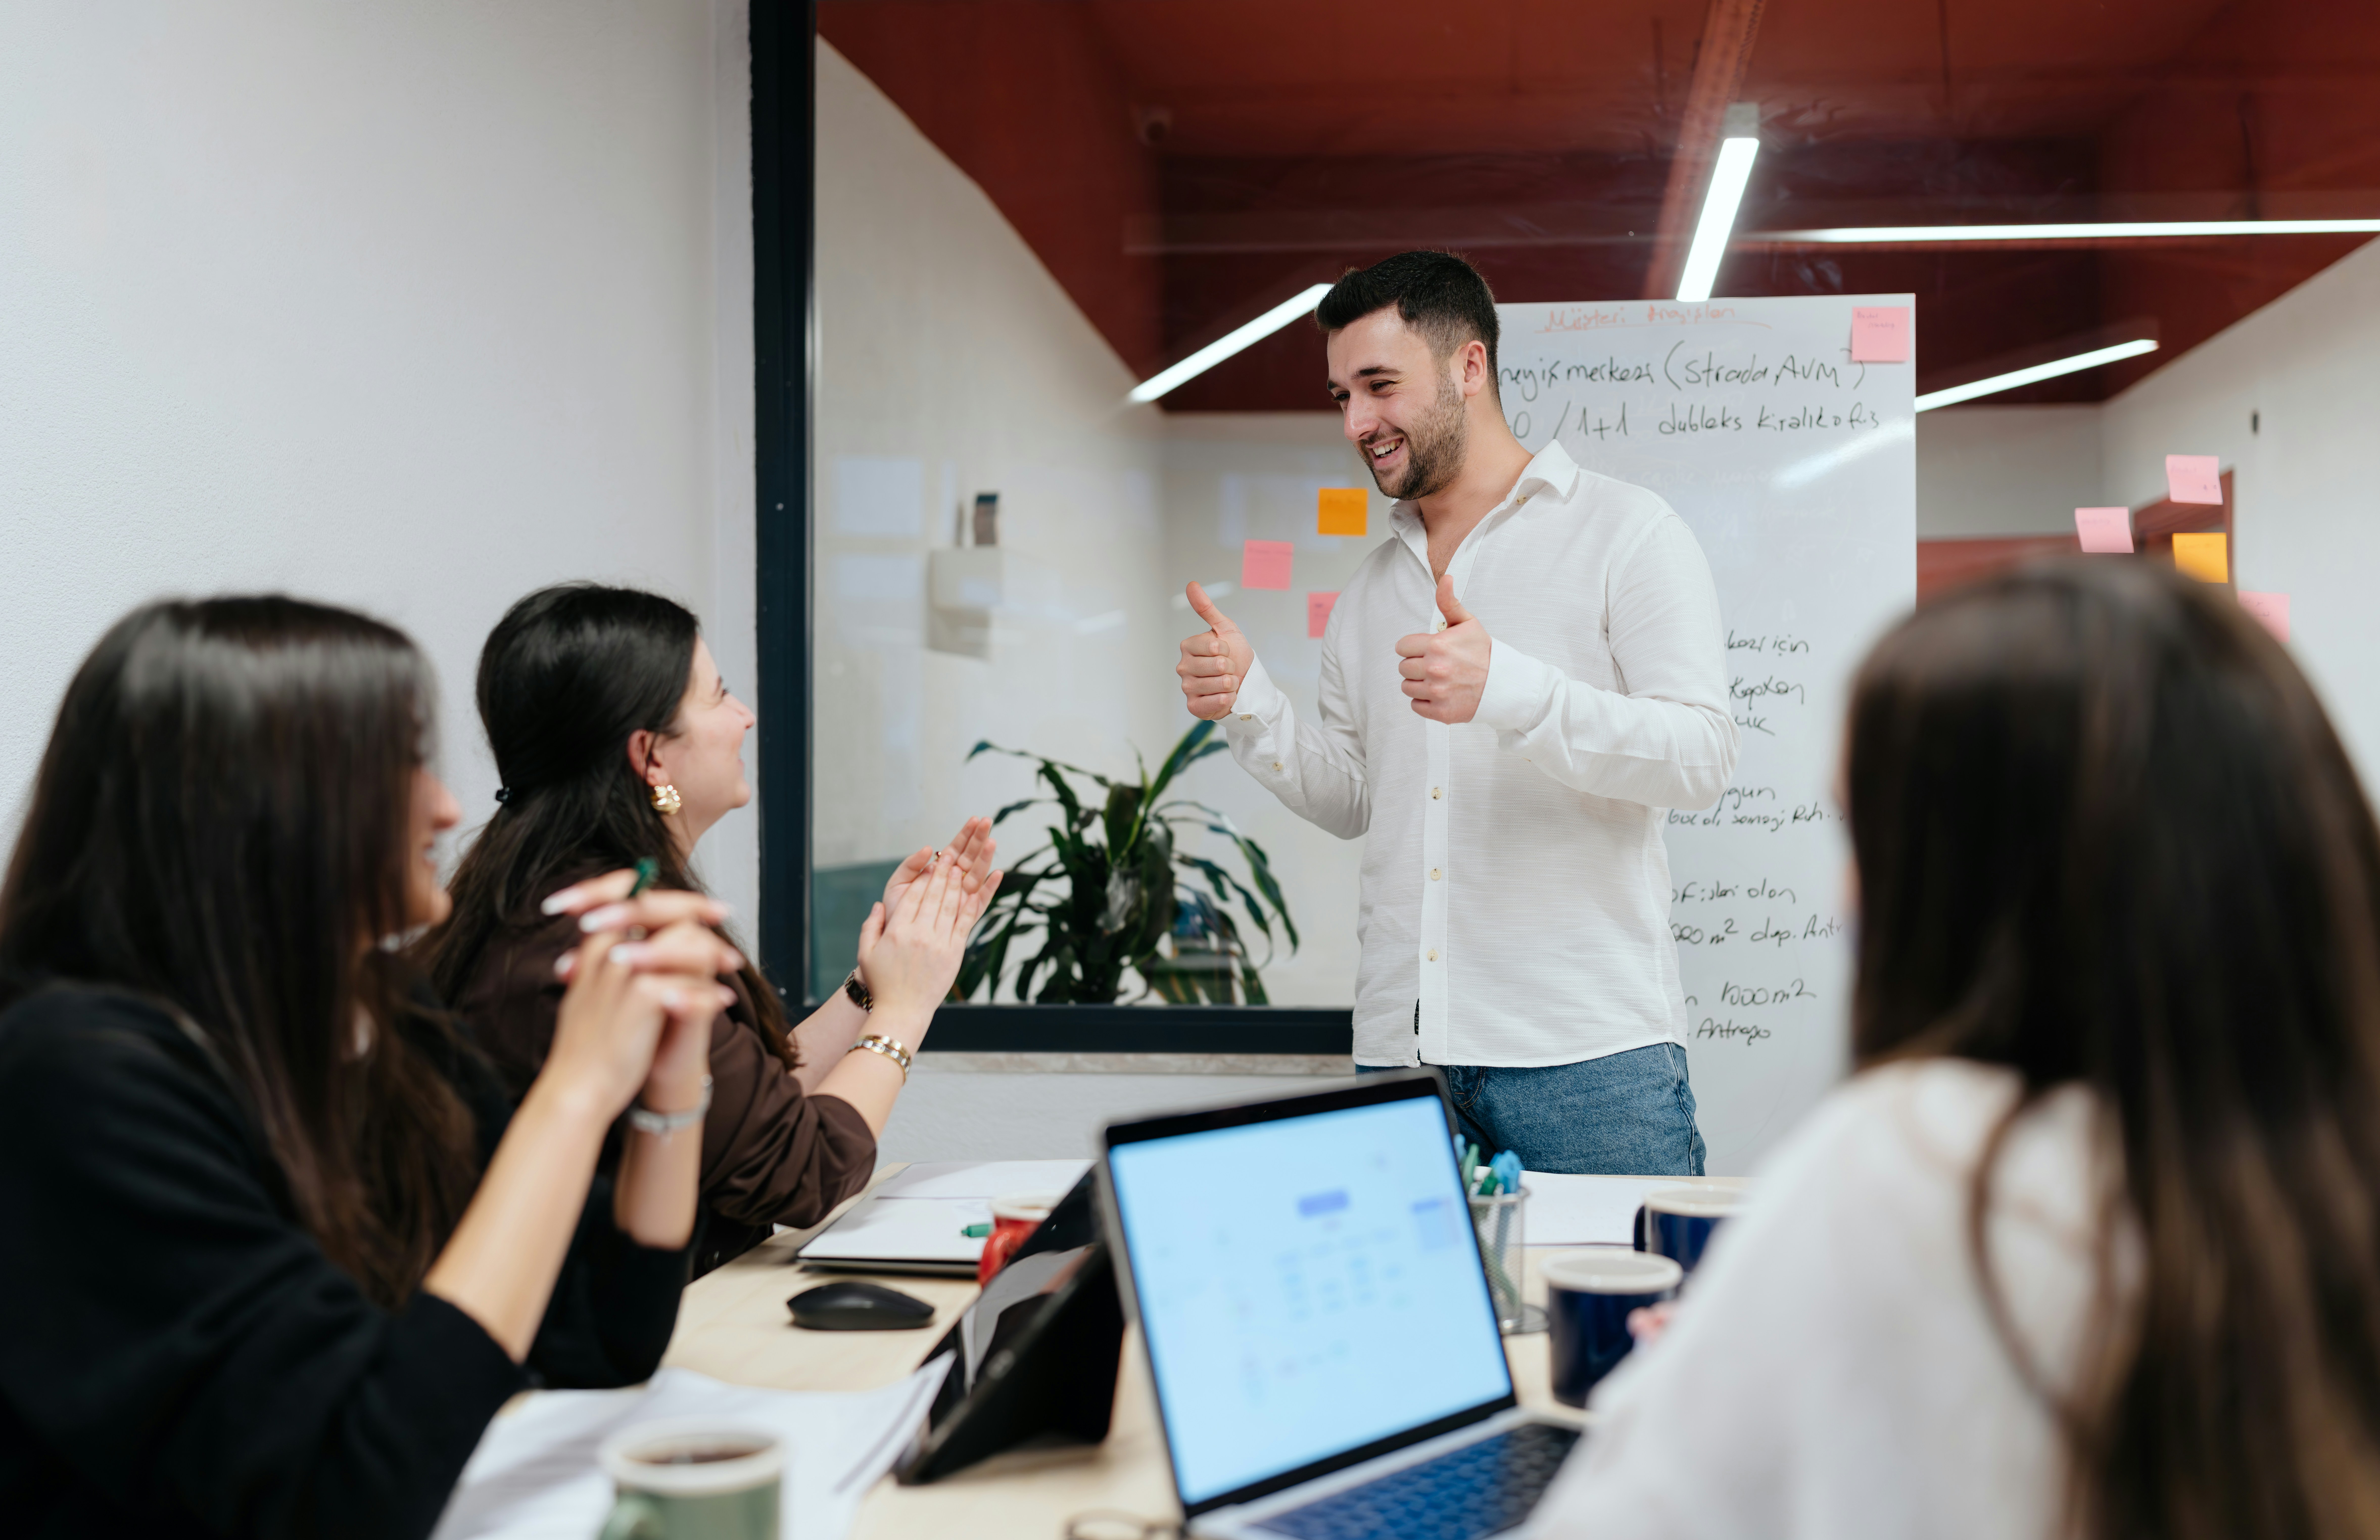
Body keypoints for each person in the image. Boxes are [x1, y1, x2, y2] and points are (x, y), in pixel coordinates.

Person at [1534, 560, 2380, 1539]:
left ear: (1990, 878)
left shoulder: (1923, 1158)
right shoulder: (2314, 1170)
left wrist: (1707, 1388)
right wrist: (1787, 1354)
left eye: (1861, 835)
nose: (1840, 897)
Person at [0, 597, 720, 1537]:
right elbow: (347, 1487)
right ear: (259, 804)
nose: (448, 806)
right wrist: (577, 1095)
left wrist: (671, 1084)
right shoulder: (78, 1080)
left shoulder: (380, 1014)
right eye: (402, 764)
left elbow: (604, 1336)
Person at [1176, 251, 1738, 1175]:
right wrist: (1251, 707)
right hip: (1402, 1055)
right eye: (1339, 397)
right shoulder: (1368, 593)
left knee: (1634, 1318)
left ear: (1468, 367)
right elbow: (1359, 799)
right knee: (1417, 1324)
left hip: (1587, 1058)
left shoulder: (1626, 533)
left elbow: (1701, 756)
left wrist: (1511, 690)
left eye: (1379, 386)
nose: (1357, 422)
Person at [422, 583, 1001, 1275]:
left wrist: (873, 983)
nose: (746, 717)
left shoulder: (570, 894)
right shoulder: (606, 937)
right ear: (652, 757)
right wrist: (907, 1007)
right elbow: (803, 1173)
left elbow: (751, 1104)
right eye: (720, 695)